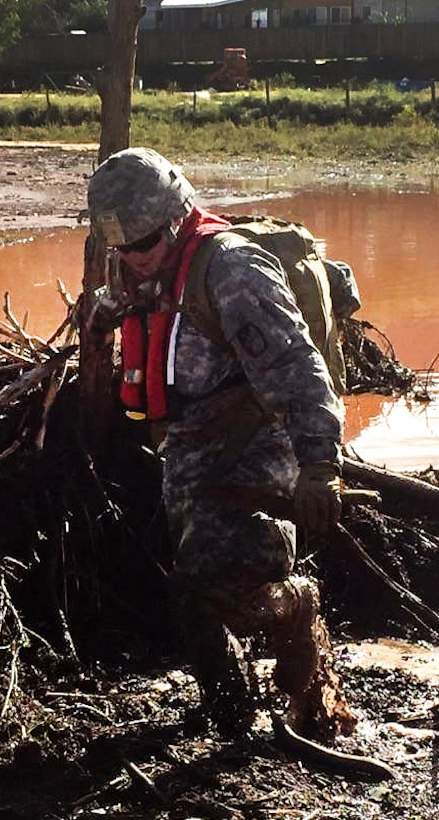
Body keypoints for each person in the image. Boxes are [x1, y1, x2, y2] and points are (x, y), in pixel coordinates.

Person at [87, 147, 355, 739]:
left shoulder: (233, 272)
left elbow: (296, 368)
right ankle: (231, 714)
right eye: (119, 244)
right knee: (185, 586)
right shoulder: (135, 259)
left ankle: (296, 602)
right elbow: (137, 301)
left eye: (142, 243)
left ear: (179, 218)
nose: (130, 256)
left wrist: (318, 465)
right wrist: (110, 311)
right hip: (186, 446)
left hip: (255, 443)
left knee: (219, 579)